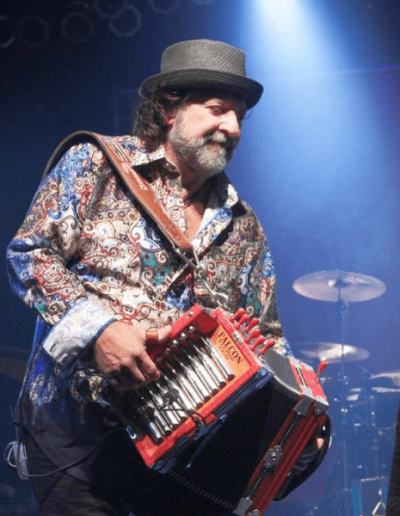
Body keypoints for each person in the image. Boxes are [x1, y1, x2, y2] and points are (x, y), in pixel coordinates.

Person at [6, 39, 328, 516]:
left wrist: (294, 421)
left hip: (184, 450)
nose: (232, 127)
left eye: (240, 116)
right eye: (218, 110)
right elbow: (29, 255)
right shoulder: (97, 164)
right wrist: (99, 330)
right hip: (75, 435)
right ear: (169, 109)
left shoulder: (244, 226)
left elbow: (268, 339)